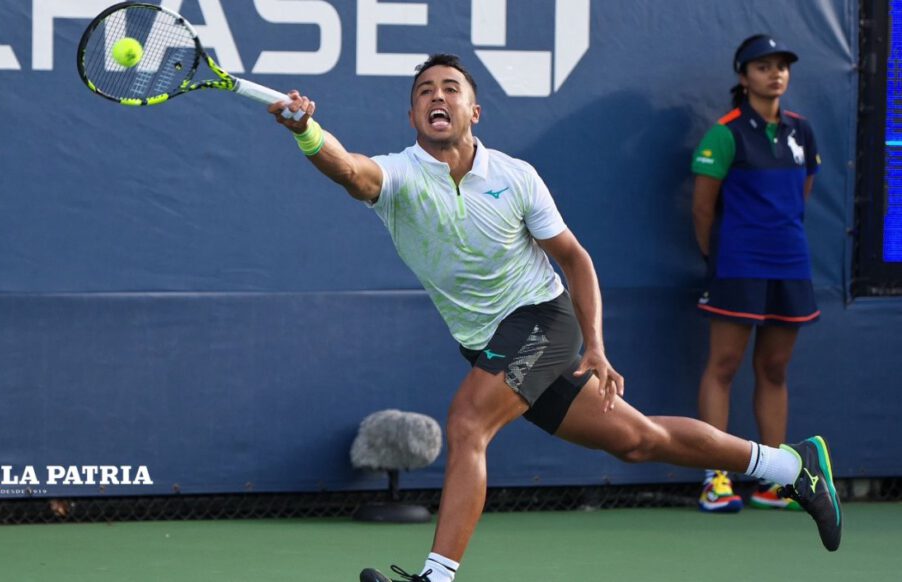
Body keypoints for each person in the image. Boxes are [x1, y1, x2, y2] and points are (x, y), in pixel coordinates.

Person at [268, 54, 841, 581]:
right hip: (489, 343)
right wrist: (306, 133)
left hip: (543, 319)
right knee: (639, 440)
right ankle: (794, 467)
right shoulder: (397, 177)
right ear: (414, 112)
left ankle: (436, 579)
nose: (436, 96)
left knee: (469, 423)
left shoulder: (516, 177)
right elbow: (347, 169)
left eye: (450, 87)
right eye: (424, 91)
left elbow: (575, 259)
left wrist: (595, 345)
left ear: (474, 109)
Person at [691, 35, 822, 514]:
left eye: (781, 66)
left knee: (774, 369)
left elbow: (802, 195)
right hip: (737, 265)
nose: (776, 74)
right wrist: (720, 258)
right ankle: (716, 477)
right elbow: (703, 210)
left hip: (790, 265)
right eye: (763, 67)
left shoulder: (803, 132)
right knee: (723, 366)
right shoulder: (724, 133)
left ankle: (777, 481)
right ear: (744, 77)